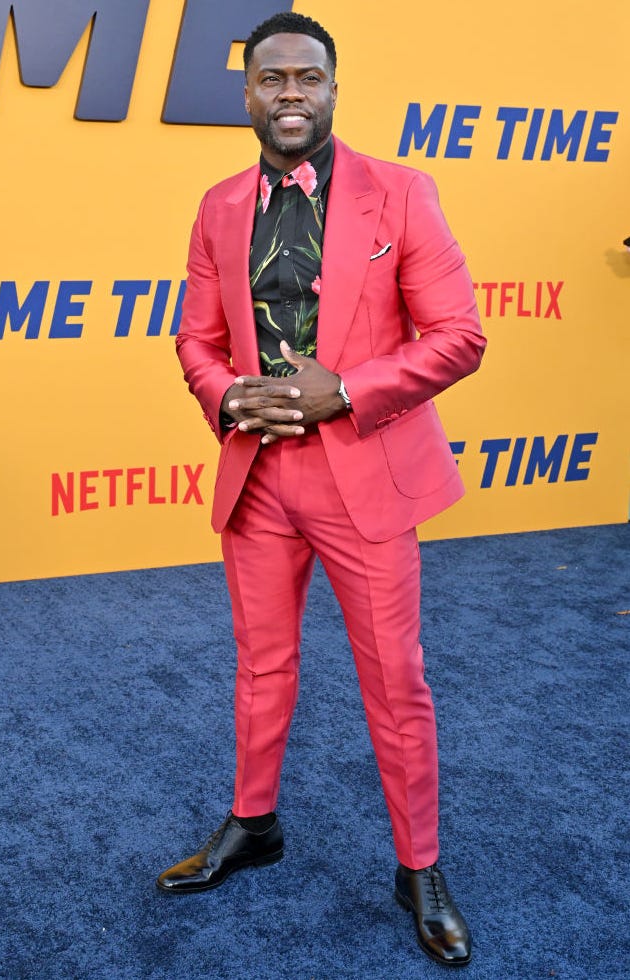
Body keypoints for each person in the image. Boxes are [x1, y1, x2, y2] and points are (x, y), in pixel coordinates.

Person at [157, 11, 486, 968]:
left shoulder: (403, 192)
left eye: (307, 77)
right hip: (258, 478)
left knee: (395, 681)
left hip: (364, 478)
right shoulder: (218, 205)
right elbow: (193, 338)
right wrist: (227, 394)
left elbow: (459, 335)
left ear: (333, 88)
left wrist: (343, 387)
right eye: (271, 79)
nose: (289, 93)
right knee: (261, 669)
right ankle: (253, 824)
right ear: (249, 94)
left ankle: (417, 868)